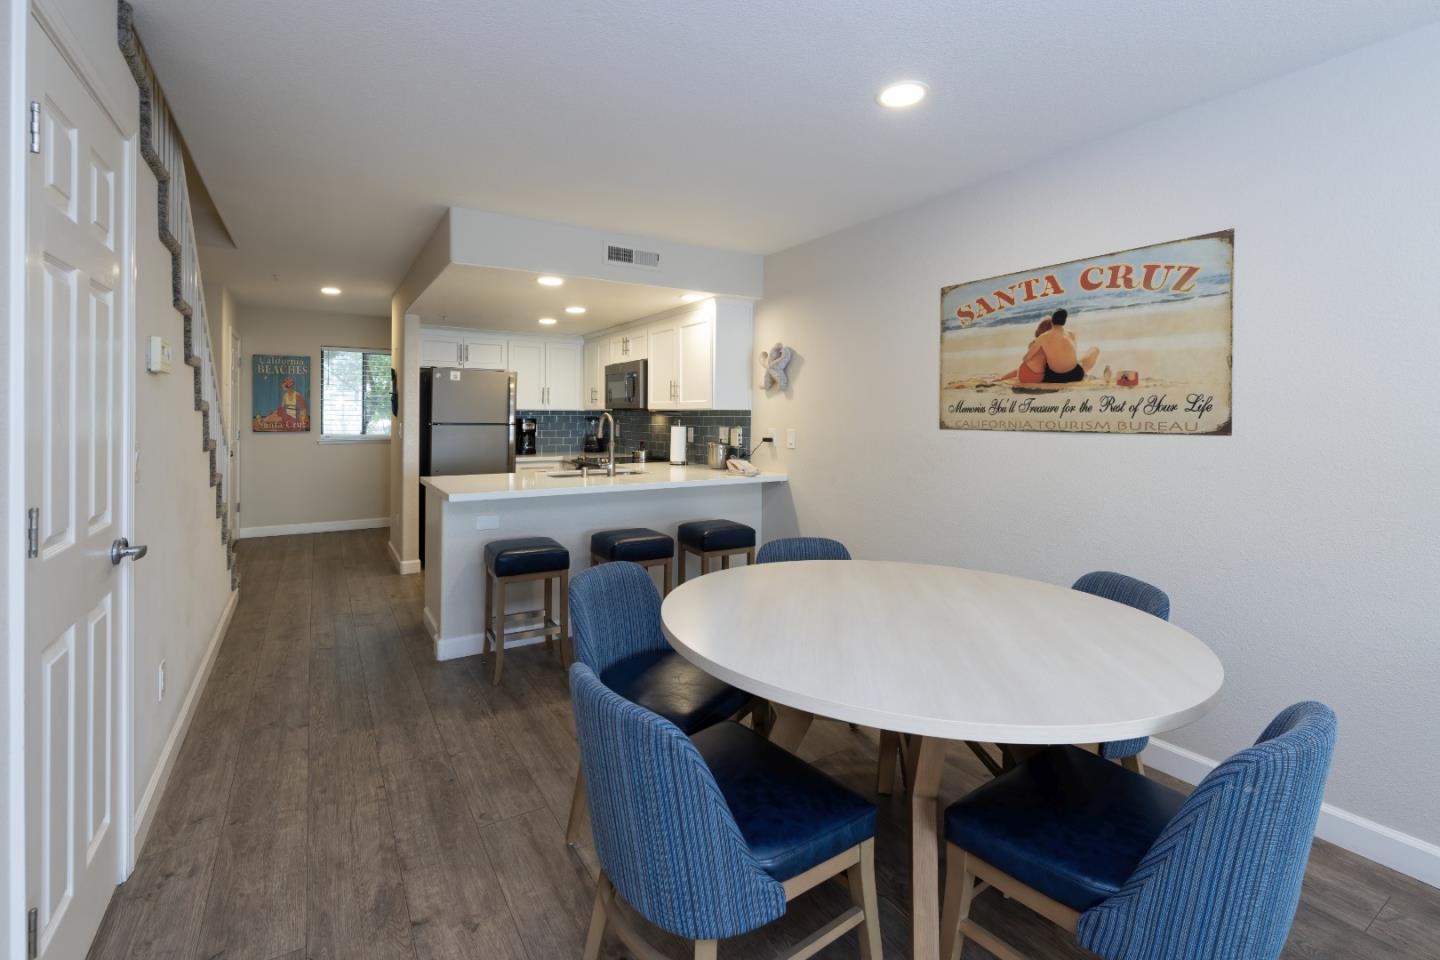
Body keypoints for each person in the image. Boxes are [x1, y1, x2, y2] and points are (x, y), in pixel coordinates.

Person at [1023, 308, 1099, 383]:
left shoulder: (1042, 338)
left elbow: (1026, 358)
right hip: (1075, 375)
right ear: (1064, 322)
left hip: (1053, 377)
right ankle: (1085, 375)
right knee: (1094, 349)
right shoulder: (1071, 334)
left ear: (1052, 322)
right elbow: (1073, 356)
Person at [995, 317, 1053, 384]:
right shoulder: (1049, 345)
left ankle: (1001, 379)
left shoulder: (1033, 343)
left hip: (1023, 371)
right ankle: (1002, 378)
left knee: (1018, 370)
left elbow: (1027, 359)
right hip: (1034, 377)